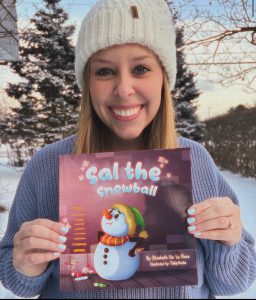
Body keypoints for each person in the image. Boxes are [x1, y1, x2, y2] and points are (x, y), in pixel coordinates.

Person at [0, 0, 255, 299]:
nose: (123, 89)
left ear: (164, 77)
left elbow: (234, 283)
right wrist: (26, 264)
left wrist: (229, 241)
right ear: (87, 82)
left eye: (141, 68)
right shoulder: (47, 166)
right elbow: (14, 276)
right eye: (105, 71)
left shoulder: (195, 161)